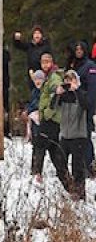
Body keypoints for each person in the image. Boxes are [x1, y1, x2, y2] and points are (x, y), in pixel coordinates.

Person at [36, 52, 72, 190]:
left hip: (51, 119)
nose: (45, 64)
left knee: (40, 145)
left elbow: (56, 87)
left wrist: (48, 111)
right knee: (54, 151)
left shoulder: (54, 76)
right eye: (42, 62)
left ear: (51, 62)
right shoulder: (47, 77)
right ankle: (70, 186)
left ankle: (36, 174)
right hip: (52, 120)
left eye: (47, 62)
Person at [55, 70, 90, 199]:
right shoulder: (63, 96)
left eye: (72, 80)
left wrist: (76, 90)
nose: (69, 83)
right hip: (64, 135)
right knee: (59, 164)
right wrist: (57, 93)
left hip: (78, 136)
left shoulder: (81, 94)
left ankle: (80, 194)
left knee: (78, 167)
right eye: (67, 81)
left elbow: (87, 105)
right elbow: (53, 106)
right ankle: (70, 188)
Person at [69, 41, 96, 174]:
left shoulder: (90, 66)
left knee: (85, 136)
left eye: (81, 49)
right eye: (76, 49)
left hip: (86, 105)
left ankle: (89, 165)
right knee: (77, 138)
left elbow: (92, 88)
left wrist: (89, 105)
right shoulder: (73, 64)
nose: (78, 51)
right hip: (74, 106)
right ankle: (80, 166)